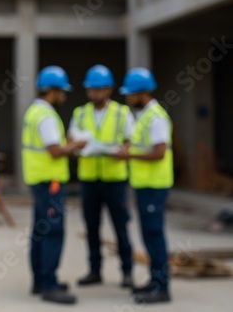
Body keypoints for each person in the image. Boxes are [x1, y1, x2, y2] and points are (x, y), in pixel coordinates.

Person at [21, 65, 86, 304]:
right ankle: (49, 284)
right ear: (53, 91)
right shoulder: (47, 115)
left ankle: (40, 281)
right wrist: (76, 145)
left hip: (38, 180)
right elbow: (55, 150)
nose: (64, 96)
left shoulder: (34, 112)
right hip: (51, 183)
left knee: (40, 232)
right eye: (62, 91)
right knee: (52, 232)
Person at [68, 64, 134, 288]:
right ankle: (94, 270)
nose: (94, 93)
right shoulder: (80, 113)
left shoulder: (121, 113)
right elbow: (71, 140)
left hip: (115, 180)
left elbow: (129, 141)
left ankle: (127, 272)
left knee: (120, 226)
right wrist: (77, 146)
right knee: (92, 227)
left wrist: (123, 150)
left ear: (109, 89)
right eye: (91, 89)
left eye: (98, 89)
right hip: (89, 180)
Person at [115, 67, 173, 304]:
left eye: (131, 94)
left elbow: (159, 153)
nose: (128, 98)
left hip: (154, 186)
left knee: (154, 235)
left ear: (143, 93)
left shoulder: (156, 117)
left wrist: (128, 157)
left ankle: (162, 288)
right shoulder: (144, 116)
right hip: (144, 186)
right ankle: (154, 280)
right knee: (149, 236)